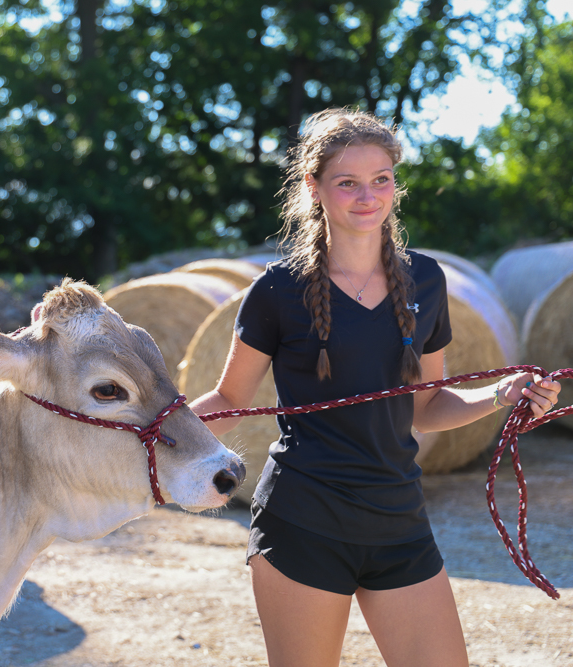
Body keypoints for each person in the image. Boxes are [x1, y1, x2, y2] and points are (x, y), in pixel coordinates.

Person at [190, 107, 563, 667]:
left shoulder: (427, 281)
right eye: (348, 183)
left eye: (380, 180)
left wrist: (501, 395)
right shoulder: (277, 290)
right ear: (314, 188)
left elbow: (428, 407)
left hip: (398, 520)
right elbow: (230, 400)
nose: (368, 196)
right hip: (303, 522)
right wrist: (150, 435)